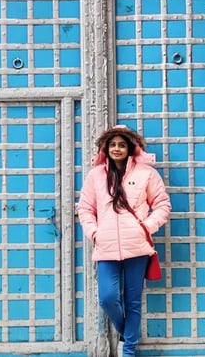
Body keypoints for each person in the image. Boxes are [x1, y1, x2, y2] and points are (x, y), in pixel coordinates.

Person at [77, 125, 171, 357]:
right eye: (113, 145)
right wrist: (95, 232)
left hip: (137, 248)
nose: (117, 149)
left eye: (122, 145)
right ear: (106, 148)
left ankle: (128, 350)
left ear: (130, 148)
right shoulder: (95, 175)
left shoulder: (146, 173)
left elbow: (162, 205)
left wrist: (146, 227)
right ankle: (126, 332)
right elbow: (85, 209)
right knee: (108, 298)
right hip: (106, 248)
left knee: (133, 302)